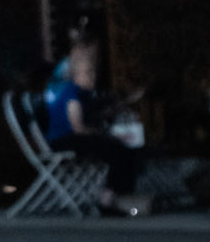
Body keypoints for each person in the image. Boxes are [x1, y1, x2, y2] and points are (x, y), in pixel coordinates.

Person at [44, 40, 150, 217]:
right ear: (75, 75)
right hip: (64, 140)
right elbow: (77, 127)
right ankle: (110, 198)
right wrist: (103, 135)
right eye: (87, 73)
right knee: (115, 148)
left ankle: (118, 197)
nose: (92, 77)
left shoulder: (78, 93)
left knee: (120, 147)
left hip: (70, 138)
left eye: (93, 72)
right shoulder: (71, 92)